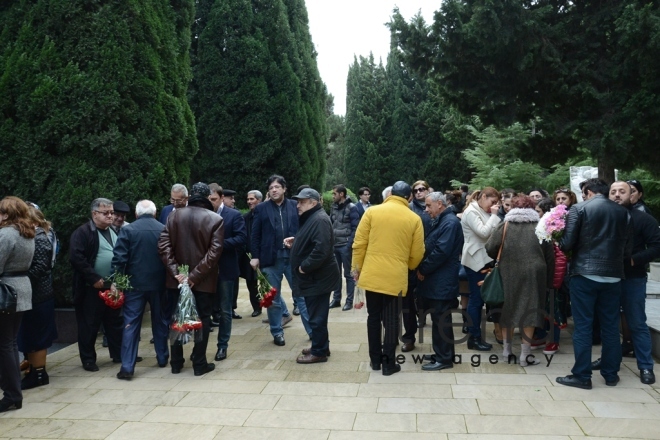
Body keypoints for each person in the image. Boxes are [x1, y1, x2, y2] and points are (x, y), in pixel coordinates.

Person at [556, 178, 632, 389]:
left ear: (588, 192)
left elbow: (567, 243)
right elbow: (627, 249)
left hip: (585, 274)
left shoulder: (579, 209)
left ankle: (582, 375)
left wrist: (557, 241)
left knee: (583, 327)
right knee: (609, 327)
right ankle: (610, 374)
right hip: (613, 276)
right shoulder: (623, 213)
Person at [352, 181, 424, 376]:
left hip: (372, 274)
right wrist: (407, 265)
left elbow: (359, 244)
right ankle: (389, 363)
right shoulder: (414, 218)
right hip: (395, 276)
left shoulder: (372, 212)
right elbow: (418, 252)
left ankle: (375, 360)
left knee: (373, 317)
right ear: (409, 197)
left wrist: (356, 269)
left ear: (390, 193)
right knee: (392, 319)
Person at [594, 181, 660, 384]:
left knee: (637, 322)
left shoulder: (643, 219)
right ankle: (607, 360)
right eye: (613, 192)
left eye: (622, 191)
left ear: (633, 196)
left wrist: (635, 259)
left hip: (633, 278)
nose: (616, 195)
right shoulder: (600, 218)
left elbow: (657, 246)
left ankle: (646, 367)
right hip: (606, 277)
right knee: (609, 323)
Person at [158, 183, 224, 376]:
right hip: (204, 282)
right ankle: (199, 364)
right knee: (203, 319)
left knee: (176, 318)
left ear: (190, 197)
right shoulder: (216, 219)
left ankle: (176, 363)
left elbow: (163, 246)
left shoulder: (173, 215)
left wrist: (176, 273)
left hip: (176, 281)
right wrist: (194, 277)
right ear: (207, 197)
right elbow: (214, 253)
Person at [485, 195, 554, 366]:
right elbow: (550, 256)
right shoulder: (541, 226)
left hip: (508, 272)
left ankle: (507, 352)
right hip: (534, 274)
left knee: (508, 310)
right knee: (530, 312)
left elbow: (490, 248)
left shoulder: (505, 225)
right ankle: (525, 355)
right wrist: (549, 280)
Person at [250, 175, 311, 346]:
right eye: (271, 188)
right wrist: (255, 256)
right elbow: (255, 235)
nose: (274, 190)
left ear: (284, 189)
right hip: (271, 259)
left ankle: (312, 331)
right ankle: (277, 332)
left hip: (293, 258)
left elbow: (304, 229)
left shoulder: (294, 205)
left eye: (277, 187)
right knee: (273, 299)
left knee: (301, 296)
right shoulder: (261, 208)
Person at [111, 200, 168, 379]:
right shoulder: (163, 229)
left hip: (134, 285)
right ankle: (162, 356)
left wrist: (117, 283)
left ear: (136, 214)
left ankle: (127, 366)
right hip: (159, 284)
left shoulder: (128, 230)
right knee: (160, 321)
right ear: (155, 212)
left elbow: (119, 260)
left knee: (131, 324)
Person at [69, 198, 123, 371]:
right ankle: (88, 359)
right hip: (91, 288)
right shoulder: (83, 232)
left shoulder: (114, 230)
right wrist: (94, 278)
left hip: (113, 286)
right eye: (105, 213)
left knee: (114, 323)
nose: (110, 216)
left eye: (111, 212)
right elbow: (77, 259)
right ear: (94, 214)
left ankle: (118, 354)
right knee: (89, 325)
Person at [287, 188, 340, 363]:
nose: (298, 205)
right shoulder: (313, 217)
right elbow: (314, 241)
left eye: (302, 202)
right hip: (316, 278)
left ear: (313, 203)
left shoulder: (319, 219)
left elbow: (321, 249)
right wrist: (297, 242)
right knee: (317, 315)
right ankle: (321, 345)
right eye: (298, 201)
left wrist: (304, 267)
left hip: (317, 278)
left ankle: (319, 352)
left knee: (316, 317)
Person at [416, 192, 464, 371]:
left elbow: (441, 252)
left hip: (441, 279)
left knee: (441, 318)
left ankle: (444, 358)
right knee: (440, 318)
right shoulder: (445, 220)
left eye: (429, 206)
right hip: (438, 279)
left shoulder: (450, 222)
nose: (426, 210)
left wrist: (423, 269)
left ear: (439, 204)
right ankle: (444, 353)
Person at [0, 197, 35, 413]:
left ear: (6, 214)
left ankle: (12, 394)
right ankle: (13, 393)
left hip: (6, 292)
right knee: (9, 343)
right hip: (20, 290)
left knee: (5, 345)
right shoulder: (27, 232)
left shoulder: (6, 234)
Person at [18, 206, 57, 390]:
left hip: (39, 295)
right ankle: (34, 370)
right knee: (31, 335)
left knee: (38, 336)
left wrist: (23, 281)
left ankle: (39, 373)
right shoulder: (33, 235)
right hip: (33, 295)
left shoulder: (40, 237)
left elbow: (41, 265)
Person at [460, 187, 501, 351]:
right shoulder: (471, 212)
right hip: (475, 260)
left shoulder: (479, 210)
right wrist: (494, 216)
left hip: (483, 259)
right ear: (483, 196)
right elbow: (484, 233)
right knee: (476, 300)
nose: (493, 206)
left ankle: (475, 336)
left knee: (478, 300)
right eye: (492, 202)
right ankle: (474, 337)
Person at [209, 185, 246, 362]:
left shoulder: (234, 215)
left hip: (225, 268)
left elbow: (241, 239)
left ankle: (222, 346)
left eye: (214, 199)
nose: (211, 203)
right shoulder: (203, 215)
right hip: (205, 270)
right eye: (208, 200)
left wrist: (218, 245)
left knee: (225, 310)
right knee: (205, 309)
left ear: (222, 197)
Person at [400, 180, 433, 353]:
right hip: (410, 259)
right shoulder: (409, 209)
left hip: (429, 258)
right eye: (416, 190)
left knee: (427, 297)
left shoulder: (433, 207)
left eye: (422, 189)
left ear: (428, 190)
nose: (419, 192)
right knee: (407, 301)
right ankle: (410, 336)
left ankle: (424, 315)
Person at [329, 184, 359, 311]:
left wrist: (349, 245)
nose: (333, 196)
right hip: (334, 245)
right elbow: (330, 224)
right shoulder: (333, 207)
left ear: (341, 194)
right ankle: (336, 299)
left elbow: (355, 228)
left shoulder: (352, 208)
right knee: (336, 274)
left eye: (334, 193)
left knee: (348, 274)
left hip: (345, 245)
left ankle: (349, 301)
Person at [240, 190, 263, 317]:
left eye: (252, 199)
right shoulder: (246, 217)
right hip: (250, 255)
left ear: (259, 200)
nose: (249, 202)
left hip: (265, 254)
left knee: (269, 281)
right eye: (248, 199)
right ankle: (257, 306)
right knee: (251, 283)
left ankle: (273, 307)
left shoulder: (265, 214)